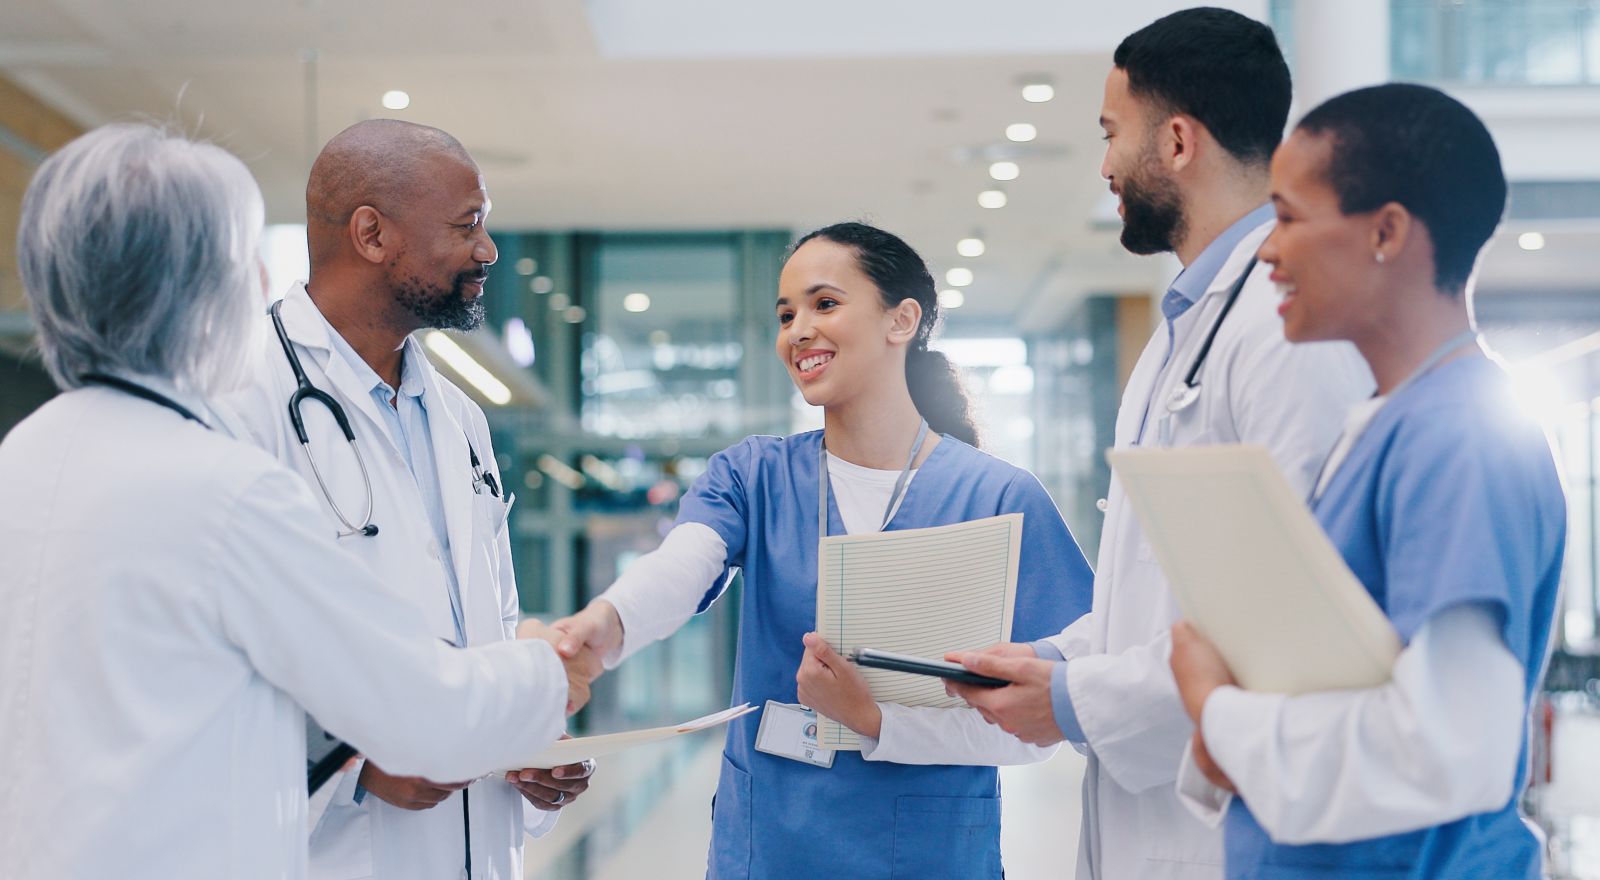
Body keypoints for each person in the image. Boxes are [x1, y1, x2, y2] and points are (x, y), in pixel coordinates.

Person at [0, 124, 593, 880]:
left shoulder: (28, 454)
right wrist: (552, 671)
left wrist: (525, 740)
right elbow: (421, 708)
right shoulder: (219, 456)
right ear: (200, 282)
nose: (255, 276)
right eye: (240, 256)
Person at [945, 9, 1372, 879]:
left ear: (1177, 141)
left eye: (1112, 135)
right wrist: (1053, 659)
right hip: (1156, 819)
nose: (1103, 166)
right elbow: (1158, 590)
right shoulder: (1186, 327)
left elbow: (1280, 621)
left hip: (1231, 832)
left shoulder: (1288, 332)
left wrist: (1071, 700)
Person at [549, 221, 1094, 879]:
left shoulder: (1000, 496)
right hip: (774, 843)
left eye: (824, 304)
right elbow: (682, 564)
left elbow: (1047, 717)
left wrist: (875, 721)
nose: (798, 330)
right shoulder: (755, 475)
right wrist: (602, 627)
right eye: (785, 314)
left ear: (902, 321)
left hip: (928, 850)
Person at [1168, 83, 1565, 879]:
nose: (1266, 253)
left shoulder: (1459, 438)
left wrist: (1220, 711)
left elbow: (1449, 753)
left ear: (1386, 231)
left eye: (1287, 217)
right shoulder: (1395, 423)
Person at [222, 119, 592, 880]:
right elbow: (206, 657)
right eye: (468, 226)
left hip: (476, 851)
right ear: (371, 234)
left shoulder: (461, 420)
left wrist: (527, 741)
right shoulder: (239, 397)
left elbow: (490, 631)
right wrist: (352, 768)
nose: (488, 251)